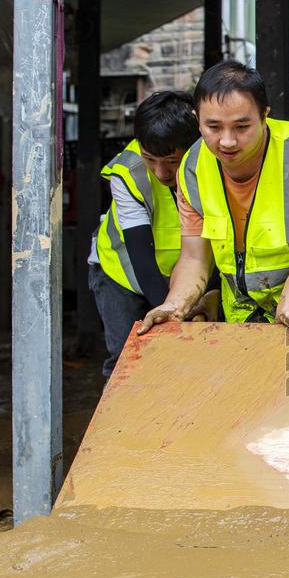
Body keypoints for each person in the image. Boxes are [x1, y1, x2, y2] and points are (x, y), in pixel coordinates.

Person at [138, 60, 289, 338]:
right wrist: (175, 305)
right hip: (239, 316)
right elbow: (194, 256)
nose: (227, 141)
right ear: (197, 119)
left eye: (241, 127)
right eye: (213, 127)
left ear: (264, 116)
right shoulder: (192, 166)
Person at [88, 91, 199, 376]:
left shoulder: (210, 162)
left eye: (173, 161)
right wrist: (175, 312)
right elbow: (141, 259)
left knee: (191, 355)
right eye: (150, 159)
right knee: (127, 358)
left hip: (186, 274)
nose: (161, 172)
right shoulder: (127, 173)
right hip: (122, 275)